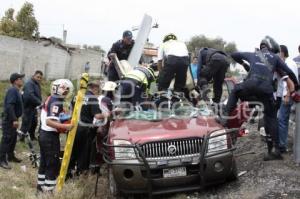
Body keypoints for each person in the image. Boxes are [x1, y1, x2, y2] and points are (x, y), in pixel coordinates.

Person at [219, 36, 298, 161]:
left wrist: (244, 63)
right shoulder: (276, 59)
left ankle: (225, 117)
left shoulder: (254, 55)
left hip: (252, 89)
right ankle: (275, 150)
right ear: (272, 47)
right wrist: (296, 86)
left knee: (236, 91)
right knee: (271, 120)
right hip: (267, 93)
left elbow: (234, 54)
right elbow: (289, 73)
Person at [37, 79, 73, 192]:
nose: (66, 91)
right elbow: (49, 122)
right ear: (57, 88)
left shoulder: (51, 98)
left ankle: (40, 187)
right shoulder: (56, 101)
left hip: (43, 134)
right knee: (52, 164)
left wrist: (64, 118)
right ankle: (48, 190)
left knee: (44, 162)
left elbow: (53, 117)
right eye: (64, 88)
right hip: (49, 136)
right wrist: (66, 127)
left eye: (67, 89)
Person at [69, 81, 110, 175]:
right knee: (83, 151)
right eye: (98, 90)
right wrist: (107, 114)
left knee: (72, 149)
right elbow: (97, 116)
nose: (98, 92)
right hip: (84, 128)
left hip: (73, 126)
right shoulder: (92, 98)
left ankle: (69, 171)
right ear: (95, 88)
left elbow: (70, 110)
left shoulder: (77, 96)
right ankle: (80, 171)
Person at [0, 73, 24, 169]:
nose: (22, 80)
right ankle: (1, 160)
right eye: (20, 79)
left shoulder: (17, 91)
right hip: (9, 120)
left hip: (13, 119)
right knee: (7, 139)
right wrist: (14, 119)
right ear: (15, 81)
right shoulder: (13, 90)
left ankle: (10, 156)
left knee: (13, 139)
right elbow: (10, 106)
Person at [277, 45, 298, 153]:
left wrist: (288, 95)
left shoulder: (290, 64)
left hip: (288, 95)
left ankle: (282, 145)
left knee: (282, 120)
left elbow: (293, 81)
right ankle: (282, 144)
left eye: (278, 52)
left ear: (282, 52)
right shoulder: (285, 63)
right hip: (285, 95)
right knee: (283, 120)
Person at [20, 70, 43, 141]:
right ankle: (21, 138)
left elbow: (37, 94)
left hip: (34, 107)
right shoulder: (29, 84)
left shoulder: (36, 84)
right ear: (34, 75)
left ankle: (32, 136)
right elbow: (30, 96)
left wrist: (39, 102)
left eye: (40, 78)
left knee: (34, 123)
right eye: (38, 77)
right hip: (27, 107)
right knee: (26, 123)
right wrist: (40, 102)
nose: (39, 79)